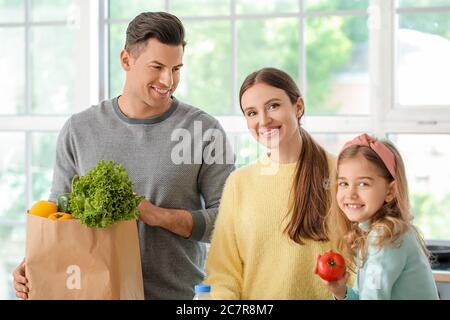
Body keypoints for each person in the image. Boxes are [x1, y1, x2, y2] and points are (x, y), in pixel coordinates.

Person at [13, 11, 235, 300]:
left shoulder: (203, 130)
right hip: (95, 293)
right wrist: (34, 263)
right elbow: (59, 214)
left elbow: (229, 223)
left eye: (177, 68)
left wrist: (158, 216)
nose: (168, 80)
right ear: (126, 60)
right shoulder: (79, 129)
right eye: (157, 66)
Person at [204, 67, 336, 299]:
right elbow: (223, 274)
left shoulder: (340, 175)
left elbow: (361, 262)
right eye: (252, 113)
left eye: (273, 106)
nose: (263, 121)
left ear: (298, 107)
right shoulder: (239, 183)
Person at [321, 133, 439, 300]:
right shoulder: (375, 234)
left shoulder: (387, 238)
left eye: (363, 184)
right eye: (344, 183)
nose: (350, 193)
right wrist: (341, 292)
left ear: (390, 191)